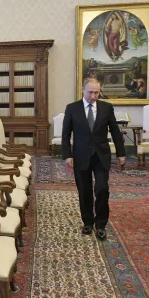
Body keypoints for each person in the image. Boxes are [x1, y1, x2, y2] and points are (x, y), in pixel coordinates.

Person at [62, 78, 126, 240]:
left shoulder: (106, 108)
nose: (93, 96)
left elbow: (115, 132)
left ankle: (101, 224)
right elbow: (65, 134)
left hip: (101, 155)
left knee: (102, 189)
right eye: (90, 92)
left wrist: (121, 153)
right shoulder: (72, 108)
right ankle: (88, 222)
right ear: (83, 90)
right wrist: (67, 155)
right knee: (84, 191)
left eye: (96, 92)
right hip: (80, 155)